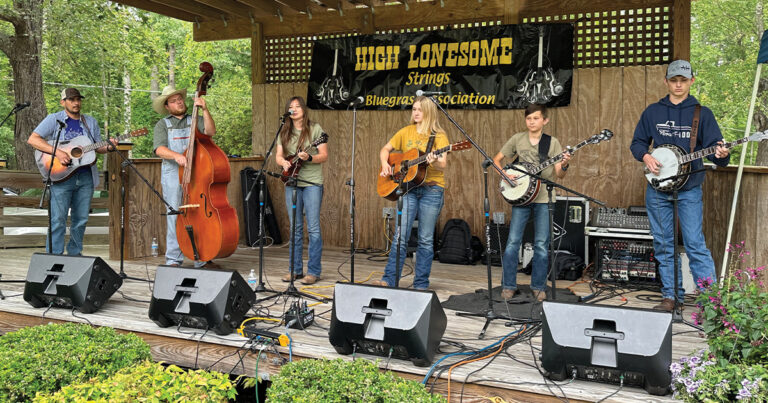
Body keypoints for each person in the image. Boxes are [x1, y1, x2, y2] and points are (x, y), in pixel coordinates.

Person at [630, 59, 730, 312]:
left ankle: (711, 302)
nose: (678, 84)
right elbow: (638, 143)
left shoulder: (702, 113)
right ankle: (671, 297)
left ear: (691, 82)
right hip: (657, 187)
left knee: (695, 244)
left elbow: (718, 153)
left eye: (683, 81)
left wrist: (721, 154)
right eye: (674, 80)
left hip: (690, 188)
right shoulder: (653, 111)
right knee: (663, 244)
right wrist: (647, 156)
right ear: (666, 81)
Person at [492, 104, 571, 302]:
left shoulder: (552, 143)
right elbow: (496, 160)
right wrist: (506, 175)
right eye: (529, 119)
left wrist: (565, 163)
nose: (532, 122)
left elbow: (559, 174)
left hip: (544, 198)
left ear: (545, 120)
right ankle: (508, 285)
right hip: (521, 197)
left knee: (542, 245)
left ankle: (538, 286)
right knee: (512, 242)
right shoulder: (517, 139)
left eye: (536, 118)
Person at [372, 96, 448, 290]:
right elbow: (385, 149)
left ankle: (421, 283)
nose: (415, 113)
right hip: (409, 189)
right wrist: (384, 165)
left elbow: (443, 165)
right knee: (400, 235)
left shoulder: (438, 136)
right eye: (414, 109)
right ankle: (389, 279)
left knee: (425, 239)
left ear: (429, 112)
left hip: (432, 189)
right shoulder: (406, 132)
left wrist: (434, 161)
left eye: (420, 110)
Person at [27, 88, 113, 256]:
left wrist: (109, 146)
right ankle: (54, 255)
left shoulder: (90, 122)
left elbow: (97, 147)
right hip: (62, 176)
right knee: (58, 219)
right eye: (72, 99)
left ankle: (75, 254)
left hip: (85, 175)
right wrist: (58, 152)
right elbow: (33, 139)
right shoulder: (54, 119)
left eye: (78, 99)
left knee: (81, 219)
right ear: (63, 102)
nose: (76, 102)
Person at [152, 85, 218, 268]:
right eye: (173, 101)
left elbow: (210, 132)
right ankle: (174, 259)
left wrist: (205, 109)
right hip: (173, 174)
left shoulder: (195, 119)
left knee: (199, 215)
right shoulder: (162, 125)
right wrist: (177, 156)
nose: (179, 102)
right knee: (174, 215)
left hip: (197, 174)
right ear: (167, 106)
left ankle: (201, 257)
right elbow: (159, 149)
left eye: (180, 99)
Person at [275, 96, 328, 285]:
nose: (294, 109)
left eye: (297, 106)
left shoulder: (315, 129)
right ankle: (294, 269)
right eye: (291, 107)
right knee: (295, 228)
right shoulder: (284, 130)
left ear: (304, 110)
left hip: (312, 183)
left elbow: (323, 155)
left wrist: (309, 158)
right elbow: (278, 157)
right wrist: (284, 162)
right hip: (291, 181)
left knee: (313, 228)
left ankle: (313, 271)